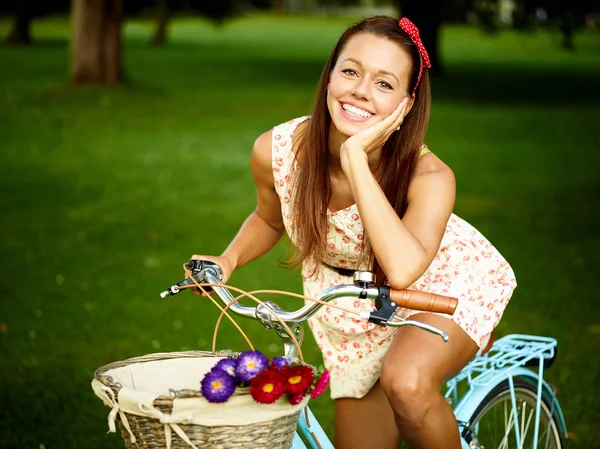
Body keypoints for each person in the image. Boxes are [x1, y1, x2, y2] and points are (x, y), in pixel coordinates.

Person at [190, 16, 516, 449]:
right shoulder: (277, 150)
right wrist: (226, 260)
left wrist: (355, 158)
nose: (361, 90)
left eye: (384, 84)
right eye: (350, 71)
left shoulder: (429, 176)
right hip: (351, 302)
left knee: (407, 382)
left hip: (439, 286)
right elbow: (270, 219)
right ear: (329, 76)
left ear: (407, 102)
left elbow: (403, 270)